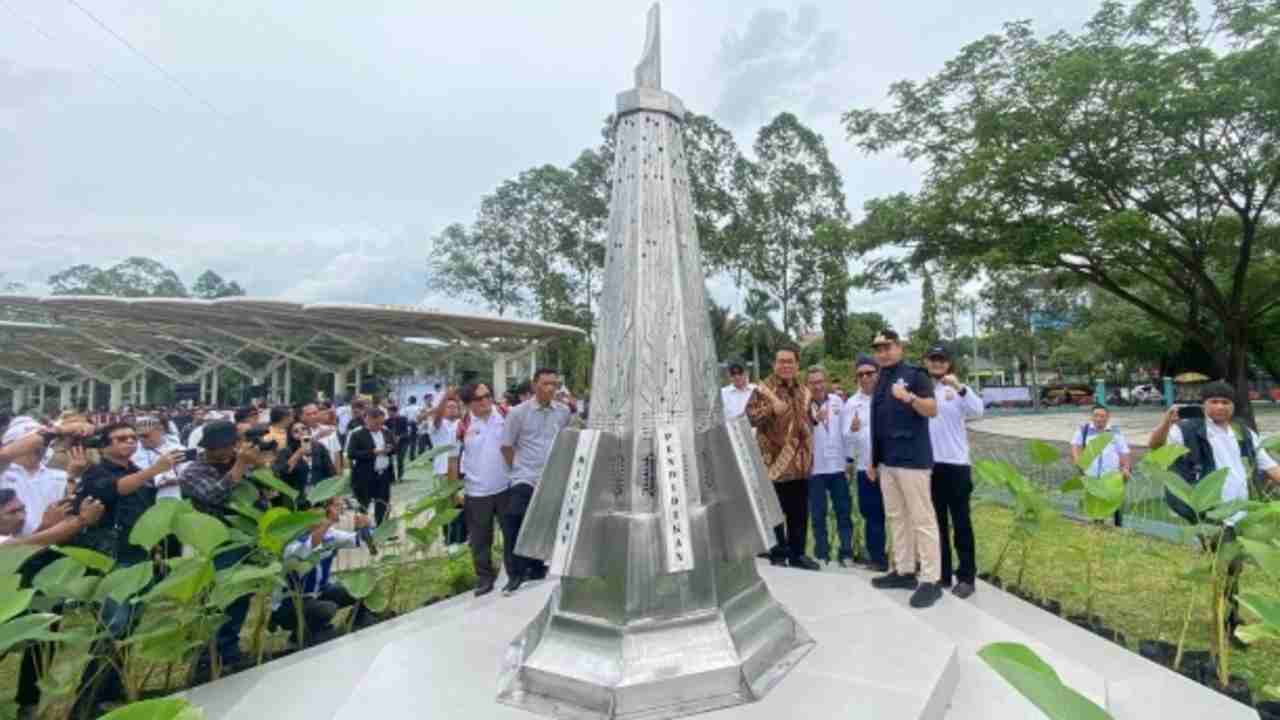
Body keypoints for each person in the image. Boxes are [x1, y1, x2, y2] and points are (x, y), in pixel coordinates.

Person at [1149, 381, 1280, 639]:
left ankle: (1227, 618)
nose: (1220, 407)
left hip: (1240, 512)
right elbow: (1155, 445)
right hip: (1210, 511)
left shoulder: (1243, 433)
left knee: (1232, 567)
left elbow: (1270, 468)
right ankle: (1227, 623)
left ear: (1233, 406)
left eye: (1225, 402)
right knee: (1227, 566)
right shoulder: (1186, 430)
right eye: (1214, 401)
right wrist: (1166, 422)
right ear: (1204, 404)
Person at [180, 420, 267, 677]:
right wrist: (240, 466)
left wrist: (257, 466)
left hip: (247, 538)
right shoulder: (193, 472)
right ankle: (208, 658)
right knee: (222, 599)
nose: (230, 451)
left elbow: (262, 494)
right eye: (226, 447)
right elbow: (216, 496)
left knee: (241, 595)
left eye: (233, 446)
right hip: (218, 543)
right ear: (211, 448)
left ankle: (228, 650)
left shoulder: (239, 464)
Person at [867, 330, 943, 609]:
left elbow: (932, 410)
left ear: (899, 347)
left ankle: (931, 580)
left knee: (922, 519)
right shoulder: (880, 379)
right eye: (878, 348)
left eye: (887, 347)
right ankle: (904, 570)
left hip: (912, 460)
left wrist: (909, 398)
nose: (882, 352)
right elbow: (878, 423)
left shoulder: (915, 375)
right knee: (897, 517)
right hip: (888, 461)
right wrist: (874, 460)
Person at [745, 346, 822, 571]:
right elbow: (749, 417)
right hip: (774, 463)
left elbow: (807, 421)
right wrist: (771, 408)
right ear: (774, 365)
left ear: (797, 365)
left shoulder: (803, 390)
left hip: (800, 463)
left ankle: (798, 554)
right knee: (775, 511)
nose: (785, 365)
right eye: (781, 361)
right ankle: (778, 553)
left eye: (790, 361)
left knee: (799, 511)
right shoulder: (762, 389)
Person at [500, 369, 574, 594]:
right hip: (525, 476)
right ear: (534, 386)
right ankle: (515, 574)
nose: (550, 388)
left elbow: (565, 440)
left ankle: (537, 567)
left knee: (544, 522)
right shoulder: (518, 413)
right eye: (545, 384)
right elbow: (506, 446)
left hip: (551, 478)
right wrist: (517, 468)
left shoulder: (562, 412)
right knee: (514, 518)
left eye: (554, 384)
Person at [271, 496, 376, 644]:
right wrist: (328, 522)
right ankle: (304, 635)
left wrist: (366, 526)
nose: (321, 519)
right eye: (317, 516)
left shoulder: (330, 535)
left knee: (360, 589)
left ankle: (358, 621)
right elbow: (309, 547)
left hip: (320, 592)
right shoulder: (292, 543)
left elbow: (365, 542)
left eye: (323, 515)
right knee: (326, 609)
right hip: (290, 602)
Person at [923, 346, 984, 599]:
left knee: (961, 523)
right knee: (936, 524)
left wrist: (960, 387)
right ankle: (943, 574)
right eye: (933, 359)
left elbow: (978, 411)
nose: (937, 364)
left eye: (942, 359)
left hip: (957, 465)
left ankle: (967, 577)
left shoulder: (957, 389)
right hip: (931, 466)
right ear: (926, 363)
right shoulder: (923, 390)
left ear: (949, 363)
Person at [450, 383, 513, 597]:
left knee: (512, 533)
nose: (487, 400)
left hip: (506, 486)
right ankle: (485, 578)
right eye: (480, 398)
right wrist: (453, 490)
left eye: (488, 395)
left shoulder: (506, 415)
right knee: (479, 540)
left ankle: (515, 573)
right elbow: (452, 459)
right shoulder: (461, 426)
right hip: (476, 491)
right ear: (469, 404)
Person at [806, 366, 855, 567]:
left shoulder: (837, 402)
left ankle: (846, 553)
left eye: (820, 381)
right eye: (813, 383)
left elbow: (845, 432)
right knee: (818, 514)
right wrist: (813, 421)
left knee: (844, 511)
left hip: (837, 467)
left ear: (825, 382)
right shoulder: (803, 405)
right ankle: (822, 553)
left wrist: (849, 460)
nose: (817, 386)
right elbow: (799, 433)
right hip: (815, 468)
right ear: (807, 385)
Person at [844, 355, 887, 571]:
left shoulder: (890, 397)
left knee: (899, 515)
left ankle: (906, 562)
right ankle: (878, 559)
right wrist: (851, 431)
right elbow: (847, 440)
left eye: (869, 373)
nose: (865, 377)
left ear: (878, 374)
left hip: (890, 468)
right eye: (860, 374)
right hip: (864, 469)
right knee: (871, 515)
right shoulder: (852, 403)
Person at [1071, 404, 1131, 527]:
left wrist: (1125, 467)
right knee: (1095, 503)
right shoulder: (1084, 430)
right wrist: (1078, 462)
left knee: (1113, 501)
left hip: (1111, 475)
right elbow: (1075, 446)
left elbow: (1123, 451)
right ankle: (1097, 526)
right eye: (1096, 415)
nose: (1099, 418)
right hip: (1091, 475)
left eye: (1102, 416)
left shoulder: (1115, 431)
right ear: (1091, 417)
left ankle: (1117, 526)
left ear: (1108, 417)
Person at [347, 407, 395, 526]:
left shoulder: (386, 432)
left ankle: (382, 528)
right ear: (367, 420)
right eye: (376, 423)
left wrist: (389, 449)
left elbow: (394, 447)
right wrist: (372, 452)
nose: (379, 426)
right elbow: (351, 454)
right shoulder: (357, 434)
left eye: (381, 423)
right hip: (365, 475)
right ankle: (361, 531)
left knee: (383, 503)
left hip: (383, 474)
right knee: (363, 504)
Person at [429, 398, 466, 546]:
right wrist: (444, 398)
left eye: (454, 407)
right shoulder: (437, 425)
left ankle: (461, 538)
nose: (452, 409)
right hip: (442, 472)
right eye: (448, 407)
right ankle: (449, 538)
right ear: (443, 409)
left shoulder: (461, 424)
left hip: (461, 471)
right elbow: (436, 417)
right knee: (445, 508)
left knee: (460, 505)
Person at [273, 421, 318, 504]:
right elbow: (283, 472)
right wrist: (300, 452)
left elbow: (329, 469)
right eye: (296, 431)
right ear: (291, 436)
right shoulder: (285, 452)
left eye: (304, 428)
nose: (301, 432)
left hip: (318, 495)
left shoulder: (319, 448)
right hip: (297, 499)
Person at [385, 405, 411, 482]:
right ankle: (391, 477)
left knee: (400, 459)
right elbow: (386, 432)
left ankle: (400, 476)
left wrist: (400, 437)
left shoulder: (403, 419)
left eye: (390, 412)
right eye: (388, 412)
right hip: (392, 443)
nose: (389, 414)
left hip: (403, 442)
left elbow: (407, 432)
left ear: (395, 412)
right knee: (389, 459)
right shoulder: (387, 421)